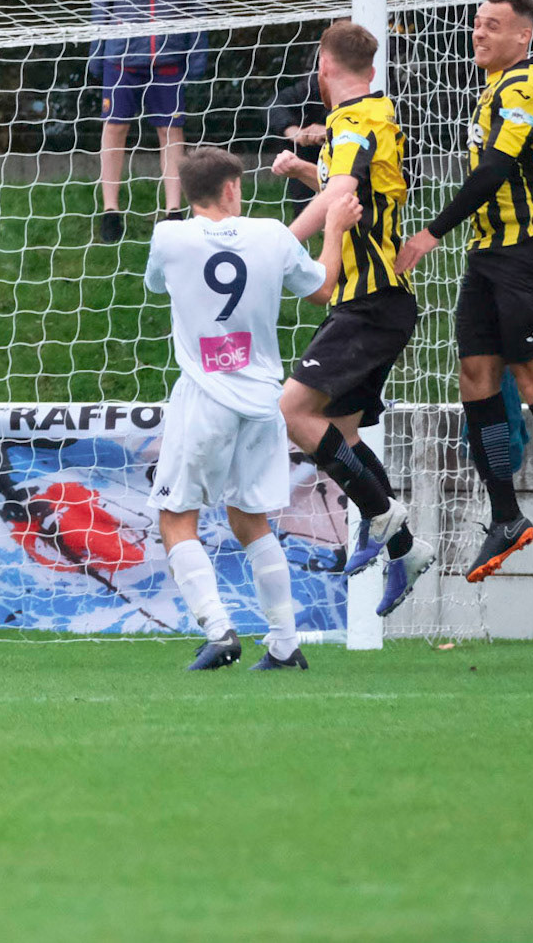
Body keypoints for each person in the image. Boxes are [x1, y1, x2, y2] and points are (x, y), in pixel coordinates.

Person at [395, 0, 533, 580]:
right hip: (488, 255)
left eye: (492, 26)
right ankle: (506, 516)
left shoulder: (527, 85)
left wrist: (430, 233)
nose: (479, 33)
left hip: (528, 254)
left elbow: (496, 170)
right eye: (478, 24)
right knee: (476, 376)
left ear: (522, 37)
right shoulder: (491, 88)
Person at [145, 146, 361, 671]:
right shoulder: (270, 234)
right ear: (230, 189)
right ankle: (284, 643)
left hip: (205, 397)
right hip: (263, 400)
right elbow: (323, 288)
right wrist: (334, 228)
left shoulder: (168, 238)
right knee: (250, 519)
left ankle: (219, 630)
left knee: (176, 517)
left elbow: (155, 284)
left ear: (190, 192)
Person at [271, 21, 436, 618]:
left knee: (292, 411)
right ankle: (407, 549)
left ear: (323, 68)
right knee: (339, 432)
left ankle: (380, 511)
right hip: (375, 304)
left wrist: (276, 246)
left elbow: (339, 196)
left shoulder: (352, 121)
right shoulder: (371, 118)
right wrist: (304, 171)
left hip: (370, 303)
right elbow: (352, 190)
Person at [88, 0, 208, 243]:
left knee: (170, 130)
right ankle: (110, 211)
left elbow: (196, 1)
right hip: (122, 55)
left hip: (169, 55)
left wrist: (197, 51)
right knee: (115, 127)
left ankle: (173, 210)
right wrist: (97, 51)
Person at [265, 72, 329, 218]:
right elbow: (273, 104)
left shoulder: (378, 91)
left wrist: (330, 131)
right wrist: (292, 130)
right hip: (313, 158)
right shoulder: (315, 84)